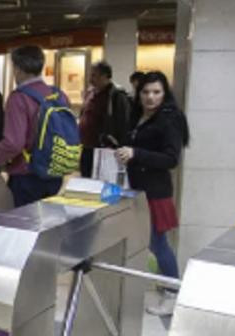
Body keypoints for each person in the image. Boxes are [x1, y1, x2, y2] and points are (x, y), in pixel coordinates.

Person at [115, 71, 189, 317]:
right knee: (153, 243)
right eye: (146, 92)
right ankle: (166, 287)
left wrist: (137, 154)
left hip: (155, 192)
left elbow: (171, 159)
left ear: (165, 93)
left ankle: (172, 293)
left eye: (156, 92)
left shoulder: (169, 118)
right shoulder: (140, 116)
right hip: (138, 189)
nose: (150, 97)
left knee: (159, 244)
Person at [0, 46, 64, 205]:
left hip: (28, 177)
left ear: (17, 68)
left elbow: (13, 143)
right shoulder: (57, 94)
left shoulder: (19, 98)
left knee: (23, 226)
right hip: (55, 174)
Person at [78, 60, 132, 176]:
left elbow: (123, 123)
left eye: (94, 75)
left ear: (105, 76)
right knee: (85, 177)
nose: (90, 79)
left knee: (101, 180)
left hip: (104, 148)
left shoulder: (116, 96)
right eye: (90, 75)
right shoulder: (90, 93)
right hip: (87, 146)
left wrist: (117, 144)